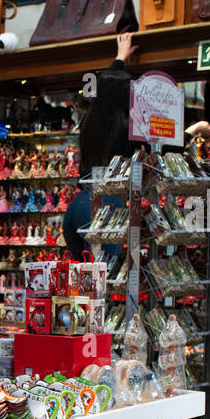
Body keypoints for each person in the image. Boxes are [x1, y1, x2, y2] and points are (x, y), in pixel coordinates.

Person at [63, 32, 142, 261]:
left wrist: (119, 59)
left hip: (79, 202)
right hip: (109, 204)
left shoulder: (89, 121)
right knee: (107, 281)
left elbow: (108, 86)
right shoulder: (129, 125)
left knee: (86, 282)